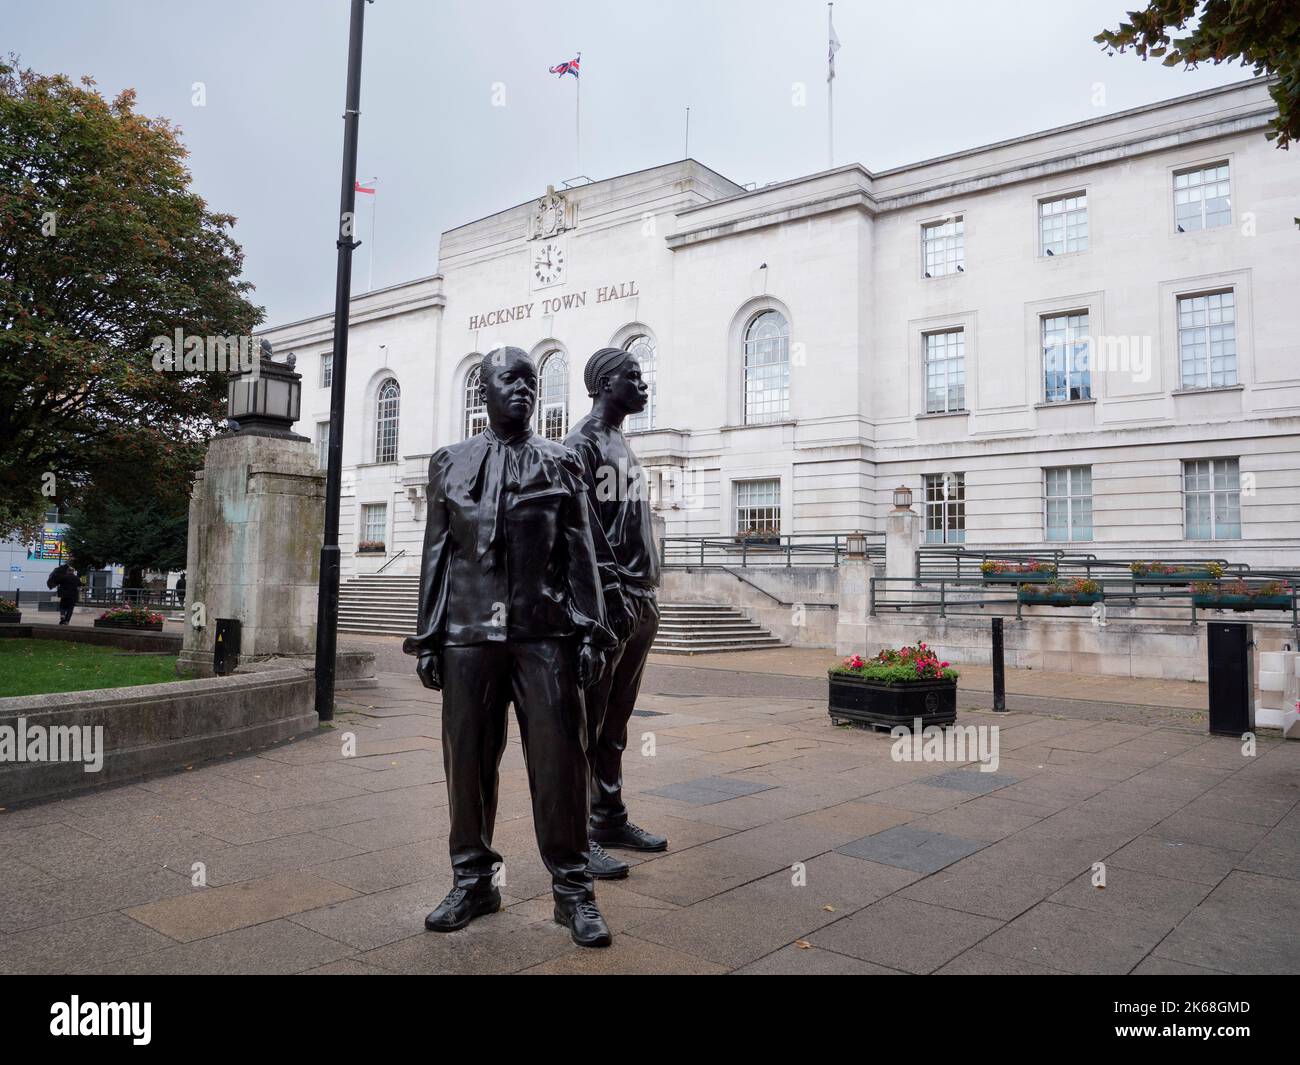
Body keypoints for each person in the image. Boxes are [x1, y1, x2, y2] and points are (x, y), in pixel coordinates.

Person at [403, 347, 618, 948]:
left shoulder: (561, 463)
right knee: (467, 760)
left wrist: (592, 632)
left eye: (532, 381)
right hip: (467, 635)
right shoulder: (449, 461)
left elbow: (582, 556)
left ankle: (573, 891)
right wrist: (428, 636)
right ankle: (473, 880)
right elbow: (435, 555)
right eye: (510, 379)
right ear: (485, 390)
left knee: (559, 761)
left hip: (543, 633)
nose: (523, 389)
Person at [564, 348, 668, 874]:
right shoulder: (580, 443)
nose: (642, 385)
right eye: (633, 377)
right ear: (605, 384)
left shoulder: (622, 442)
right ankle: (578, 838)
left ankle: (608, 815)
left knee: (617, 722)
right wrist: (609, 591)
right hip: (611, 601)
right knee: (588, 719)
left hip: (640, 596)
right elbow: (577, 529)